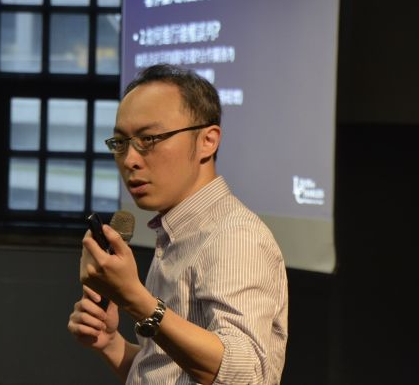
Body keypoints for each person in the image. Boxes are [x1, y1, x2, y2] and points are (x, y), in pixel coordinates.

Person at [67, 63, 288, 385]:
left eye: (149, 138)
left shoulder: (235, 236)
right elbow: (165, 372)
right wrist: (111, 343)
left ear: (208, 141)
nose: (129, 160)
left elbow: (246, 375)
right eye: (120, 143)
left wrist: (136, 299)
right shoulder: (176, 232)